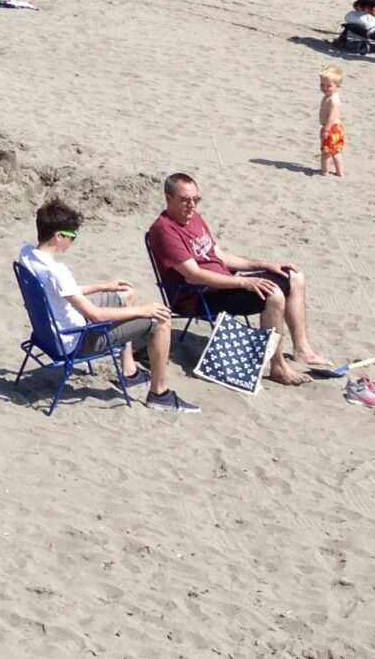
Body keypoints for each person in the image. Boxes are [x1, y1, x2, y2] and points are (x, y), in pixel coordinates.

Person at [17, 197, 195, 412]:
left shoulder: (27, 255)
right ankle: (160, 393)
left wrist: (104, 286)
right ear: (58, 237)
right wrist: (142, 310)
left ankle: (129, 372)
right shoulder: (57, 271)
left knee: (125, 293)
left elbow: (60, 291)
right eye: (71, 236)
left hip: (49, 333)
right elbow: (96, 316)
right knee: (160, 320)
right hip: (77, 340)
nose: (72, 241)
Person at [147, 173, 329, 383]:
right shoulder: (164, 230)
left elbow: (220, 256)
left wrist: (265, 265)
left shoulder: (194, 218)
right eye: (185, 200)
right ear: (168, 198)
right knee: (274, 294)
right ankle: (278, 367)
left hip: (225, 284)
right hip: (199, 296)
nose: (191, 205)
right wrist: (245, 282)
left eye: (196, 199)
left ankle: (302, 349)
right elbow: (194, 276)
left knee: (294, 275)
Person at [317, 66, 346, 177]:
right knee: (333, 151)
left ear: (337, 86)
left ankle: (325, 171)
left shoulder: (333, 99)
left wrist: (326, 129)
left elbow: (332, 116)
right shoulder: (329, 96)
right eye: (322, 85)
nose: (325, 88)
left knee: (327, 152)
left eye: (329, 86)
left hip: (332, 128)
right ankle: (339, 172)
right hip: (334, 127)